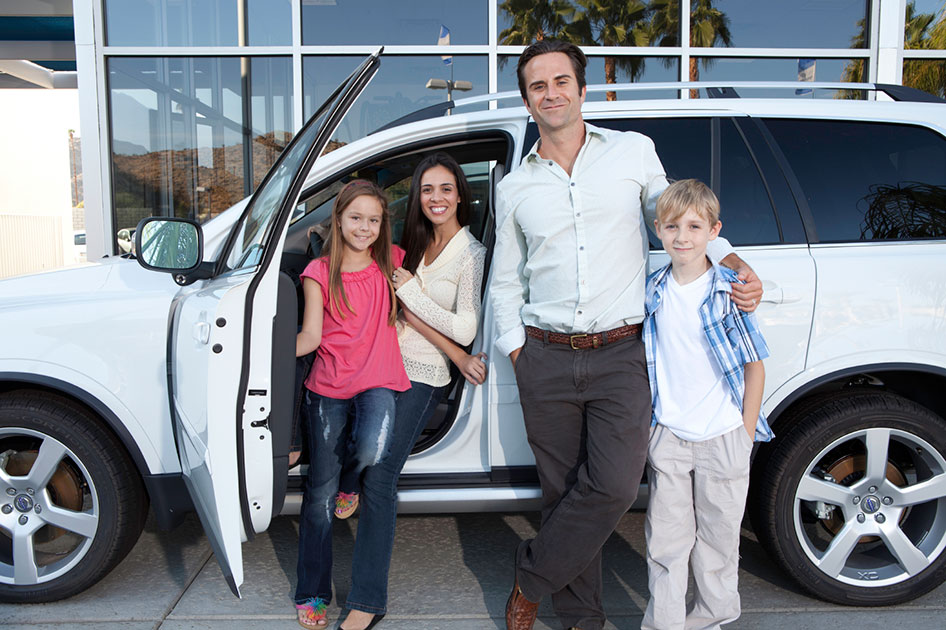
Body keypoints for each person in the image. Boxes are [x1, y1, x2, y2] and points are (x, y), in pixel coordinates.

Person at [490, 40, 763, 630]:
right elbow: (504, 282)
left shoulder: (634, 153)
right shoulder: (516, 187)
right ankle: (581, 620)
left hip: (620, 353)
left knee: (612, 486)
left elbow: (678, 217)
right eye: (539, 85)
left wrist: (734, 261)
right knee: (562, 493)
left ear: (582, 90)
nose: (552, 92)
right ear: (528, 100)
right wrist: (518, 351)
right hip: (545, 355)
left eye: (562, 81)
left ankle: (531, 574)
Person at [332, 153, 489, 630]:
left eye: (445, 189)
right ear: (417, 198)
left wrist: (414, 298)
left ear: (460, 194)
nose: (436, 198)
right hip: (380, 359)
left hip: (422, 372)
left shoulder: (472, 255)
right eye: (426, 190)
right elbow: (395, 308)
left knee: (381, 476)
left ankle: (367, 600)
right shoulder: (413, 245)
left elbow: (465, 328)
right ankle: (341, 482)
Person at [641, 179, 771, 630]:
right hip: (671, 436)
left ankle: (712, 619)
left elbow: (755, 365)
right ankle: (666, 625)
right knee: (666, 545)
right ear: (658, 228)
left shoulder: (728, 291)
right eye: (673, 226)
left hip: (724, 436)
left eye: (695, 226)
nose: (683, 236)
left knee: (717, 544)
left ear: (714, 231)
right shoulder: (652, 292)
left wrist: (745, 432)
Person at [293, 180, 410, 629]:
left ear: (383, 226)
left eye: (374, 220)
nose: (365, 227)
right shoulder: (318, 273)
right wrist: (266, 353)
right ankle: (313, 591)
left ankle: (351, 483)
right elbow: (311, 337)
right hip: (328, 387)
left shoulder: (393, 261)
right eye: (356, 218)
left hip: (379, 379)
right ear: (339, 219)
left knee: (371, 448)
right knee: (318, 497)